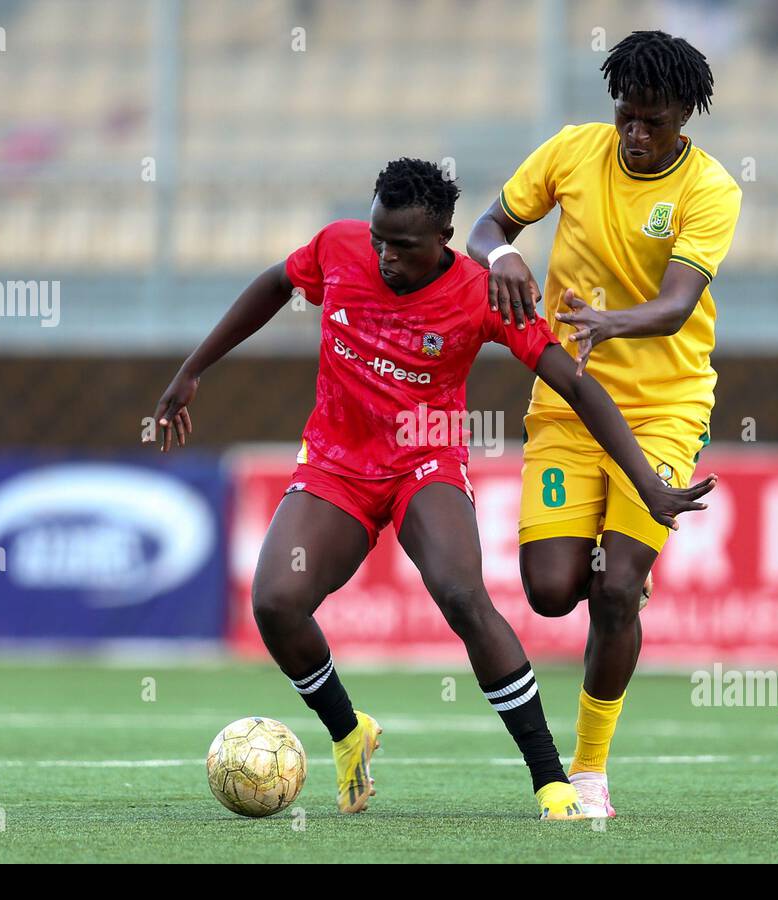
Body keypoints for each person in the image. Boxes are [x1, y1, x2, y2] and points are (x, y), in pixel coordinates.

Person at [153, 157, 716, 820]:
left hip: (426, 462)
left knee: (461, 595)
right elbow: (277, 283)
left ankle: (550, 780)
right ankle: (346, 731)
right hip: (336, 463)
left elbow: (572, 381)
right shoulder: (339, 248)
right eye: (379, 240)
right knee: (275, 602)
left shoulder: (482, 293)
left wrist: (645, 479)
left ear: (445, 237)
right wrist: (193, 369)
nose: (386, 256)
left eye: (404, 246)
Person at [466, 30, 741, 816]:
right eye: (626, 116)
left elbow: (679, 304)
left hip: (663, 406)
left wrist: (606, 324)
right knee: (553, 593)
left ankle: (589, 769)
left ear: (686, 114)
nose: (637, 134)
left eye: (653, 120)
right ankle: (616, 576)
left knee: (616, 592)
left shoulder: (711, 189)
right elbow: (489, 225)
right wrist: (499, 258)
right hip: (564, 403)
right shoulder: (572, 151)